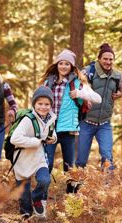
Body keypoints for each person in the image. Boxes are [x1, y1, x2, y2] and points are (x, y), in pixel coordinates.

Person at [39, 49, 101, 188]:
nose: (63, 66)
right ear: (57, 65)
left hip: (68, 131)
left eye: (67, 64)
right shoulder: (48, 83)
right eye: (61, 63)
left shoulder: (77, 84)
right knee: (46, 164)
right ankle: (41, 197)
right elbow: (37, 103)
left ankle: (71, 201)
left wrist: (79, 94)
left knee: (69, 168)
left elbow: (98, 98)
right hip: (50, 130)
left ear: (72, 67)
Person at [75, 43, 122, 172]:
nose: (108, 62)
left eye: (111, 59)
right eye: (105, 59)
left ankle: (107, 190)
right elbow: (76, 87)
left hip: (104, 124)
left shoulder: (117, 76)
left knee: (107, 158)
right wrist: (85, 97)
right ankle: (75, 191)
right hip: (85, 122)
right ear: (99, 59)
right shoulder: (87, 72)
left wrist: (121, 93)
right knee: (81, 160)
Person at [10, 86, 57, 219]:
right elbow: (15, 139)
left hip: (39, 158)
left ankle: (36, 198)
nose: (43, 107)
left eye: (47, 104)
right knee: (24, 197)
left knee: (45, 180)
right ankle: (26, 218)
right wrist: (35, 142)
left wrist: (54, 138)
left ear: (51, 105)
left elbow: (52, 132)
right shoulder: (28, 119)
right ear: (34, 104)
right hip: (22, 160)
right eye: (40, 103)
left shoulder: (51, 118)